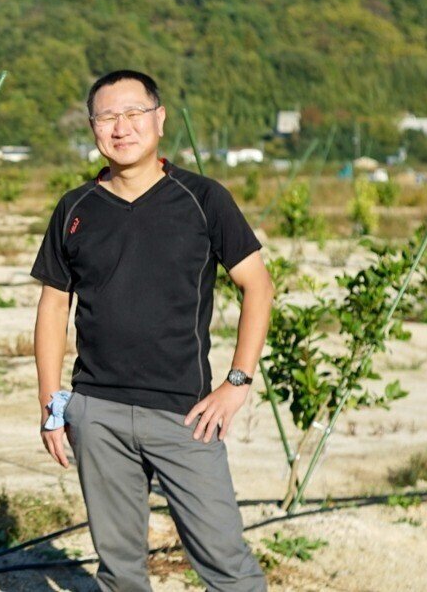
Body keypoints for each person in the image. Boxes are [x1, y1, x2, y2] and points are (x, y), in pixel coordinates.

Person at [32, 70, 272, 591]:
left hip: (184, 413)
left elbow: (258, 287)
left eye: (134, 113)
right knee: (119, 570)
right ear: (93, 128)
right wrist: (53, 404)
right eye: (107, 116)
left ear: (159, 119)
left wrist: (237, 383)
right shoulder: (75, 208)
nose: (122, 127)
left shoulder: (203, 198)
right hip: (98, 413)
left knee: (228, 566)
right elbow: (53, 307)